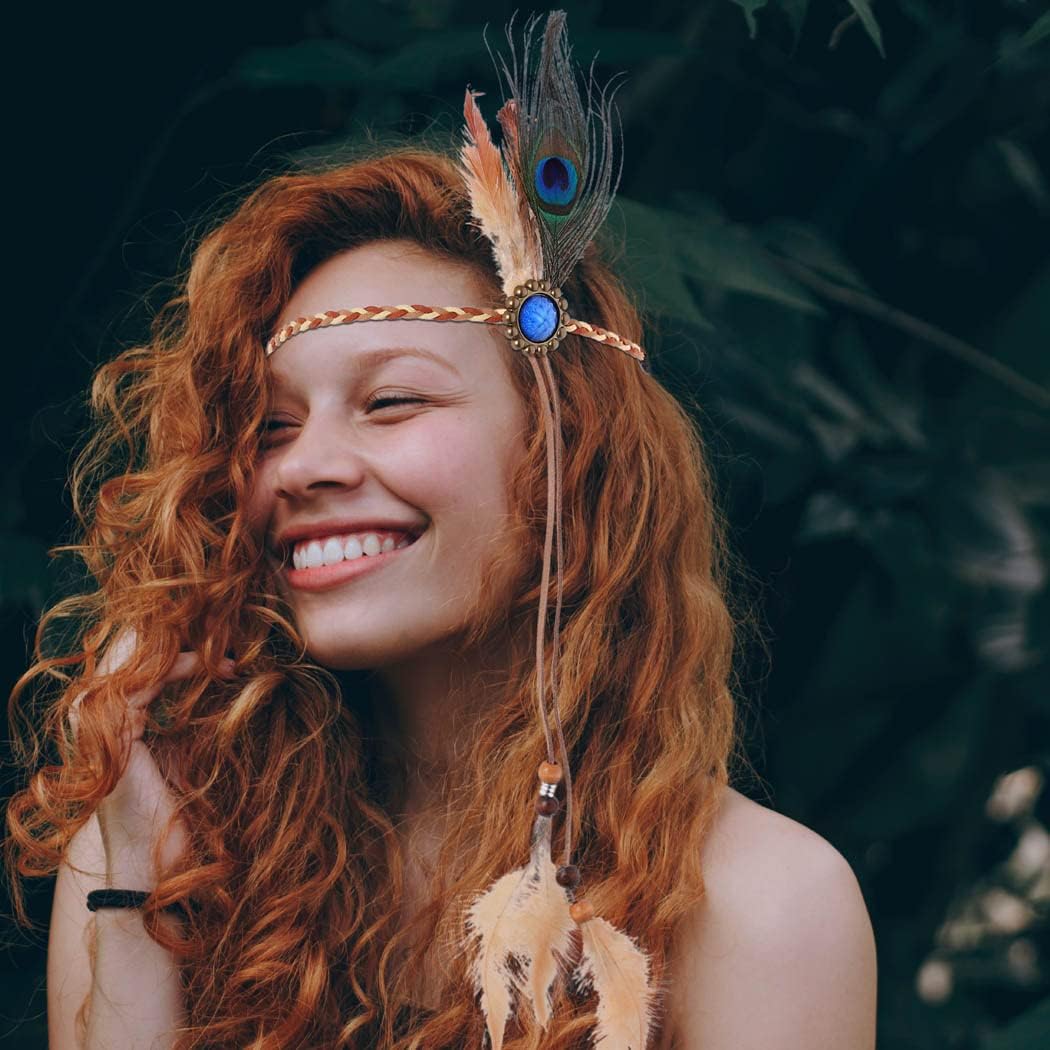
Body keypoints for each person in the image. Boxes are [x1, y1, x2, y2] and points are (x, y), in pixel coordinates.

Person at [5, 15, 877, 1050]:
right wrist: (137, 862)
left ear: (568, 455)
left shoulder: (762, 906)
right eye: (270, 426)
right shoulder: (166, 847)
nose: (303, 465)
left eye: (391, 404)